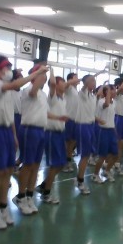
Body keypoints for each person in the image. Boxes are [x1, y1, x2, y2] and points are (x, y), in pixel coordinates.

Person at [0, 55, 47, 230]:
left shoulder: (8, 91)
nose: (8, 70)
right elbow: (14, 85)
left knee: (8, 170)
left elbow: (9, 113)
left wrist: (13, 135)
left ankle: (3, 206)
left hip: (6, 131)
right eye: (5, 67)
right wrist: (37, 73)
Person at [13, 63, 49, 215]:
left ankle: (29, 195)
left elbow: (44, 113)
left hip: (41, 130)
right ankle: (20, 197)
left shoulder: (43, 94)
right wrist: (38, 73)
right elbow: (33, 92)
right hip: (29, 130)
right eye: (41, 74)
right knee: (27, 165)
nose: (44, 77)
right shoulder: (28, 90)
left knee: (35, 165)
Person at [38, 67, 70, 204]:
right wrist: (51, 70)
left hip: (60, 134)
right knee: (54, 164)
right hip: (51, 134)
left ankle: (44, 185)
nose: (65, 84)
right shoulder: (52, 97)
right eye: (62, 82)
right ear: (56, 85)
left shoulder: (63, 99)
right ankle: (46, 194)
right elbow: (51, 83)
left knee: (61, 164)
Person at [74, 72, 105, 194]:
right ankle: (80, 181)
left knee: (87, 155)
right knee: (85, 155)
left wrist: (98, 119)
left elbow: (91, 111)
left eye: (95, 81)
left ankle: (79, 178)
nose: (94, 82)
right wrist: (98, 73)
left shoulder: (92, 97)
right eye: (92, 80)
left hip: (91, 125)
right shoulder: (82, 94)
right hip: (83, 126)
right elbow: (85, 84)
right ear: (86, 83)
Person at [93, 84, 119, 182]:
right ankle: (95, 175)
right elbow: (106, 104)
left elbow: (112, 118)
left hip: (111, 131)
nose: (115, 92)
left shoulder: (114, 103)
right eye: (113, 90)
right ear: (108, 92)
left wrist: (115, 131)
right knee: (102, 156)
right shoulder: (101, 101)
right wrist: (107, 90)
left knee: (115, 154)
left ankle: (107, 171)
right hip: (103, 131)